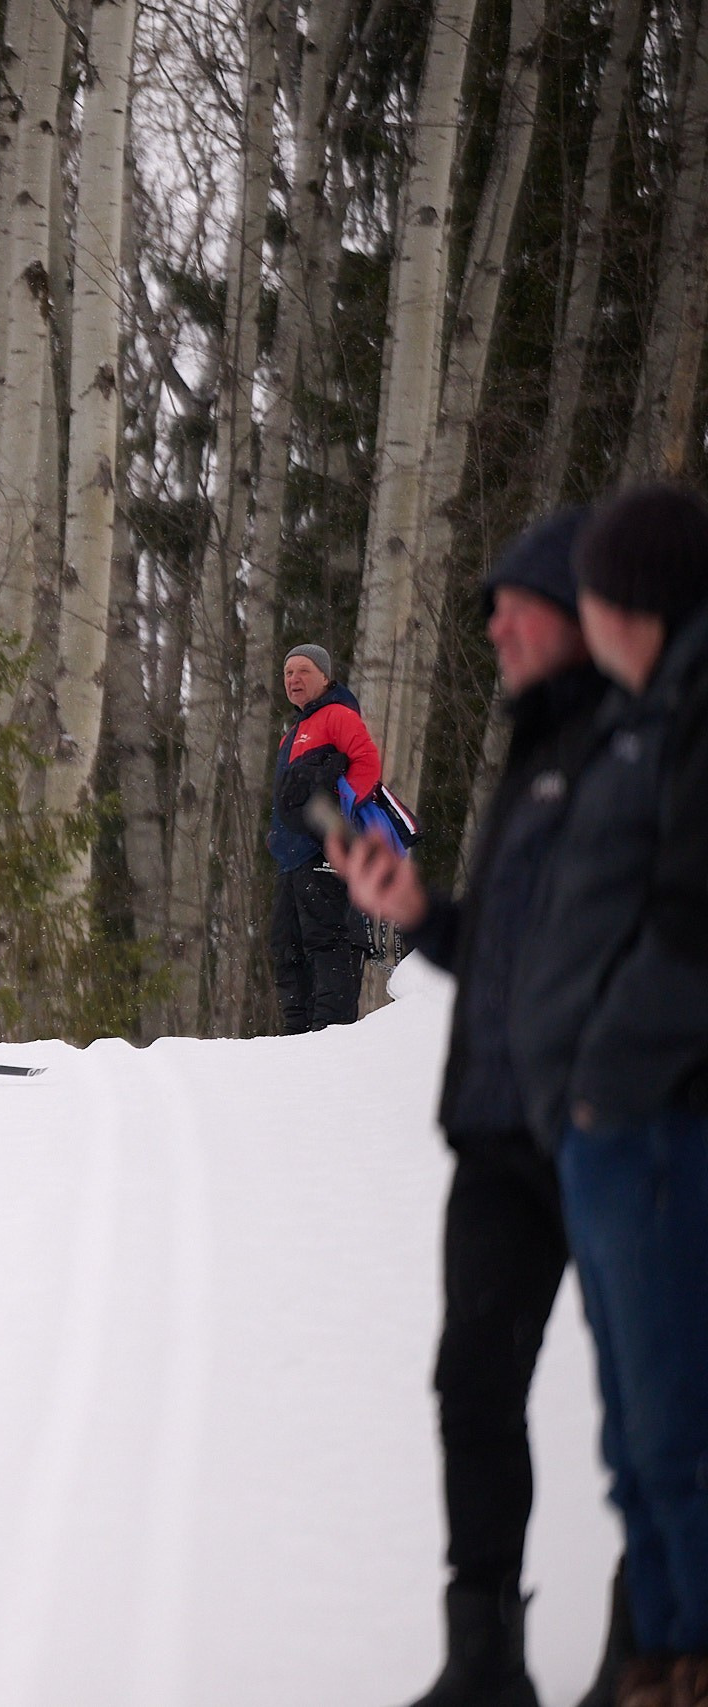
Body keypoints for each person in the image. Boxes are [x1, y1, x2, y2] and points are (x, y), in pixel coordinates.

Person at [336, 512, 628, 1707]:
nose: (495, 624)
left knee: (649, 1408)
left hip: (608, 1132)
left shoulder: (640, 746)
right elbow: (514, 956)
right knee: (473, 1383)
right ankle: (484, 1658)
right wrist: (420, 912)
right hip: (499, 1136)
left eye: (517, 603)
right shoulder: (534, 752)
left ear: (580, 614)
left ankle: (655, 1652)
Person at [507, 484, 708, 1707]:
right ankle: (659, 1656)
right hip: (612, 1129)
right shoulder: (651, 713)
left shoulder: (686, 716)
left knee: (672, 1432)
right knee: (637, 1438)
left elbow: (688, 928)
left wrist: (599, 1078)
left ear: (634, 602)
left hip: (652, 1126)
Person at [268, 640, 382, 1032]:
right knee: (286, 947)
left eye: (303, 671)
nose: (294, 679)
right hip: (290, 859)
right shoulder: (291, 734)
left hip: (323, 854)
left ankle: (330, 1037)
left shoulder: (337, 715)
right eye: (288, 673)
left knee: (327, 941)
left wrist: (337, 819)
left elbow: (367, 764)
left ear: (325, 676)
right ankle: (297, 1038)